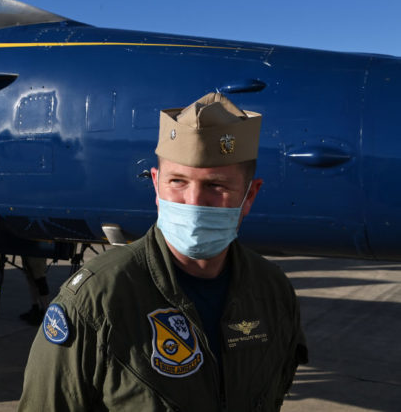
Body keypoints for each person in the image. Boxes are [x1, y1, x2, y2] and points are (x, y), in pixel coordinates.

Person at [19, 92, 308, 411]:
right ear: (156, 185)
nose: (194, 202)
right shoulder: (96, 302)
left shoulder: (273, 293)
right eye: (178, 181)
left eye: (216, 186)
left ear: (250, 194)